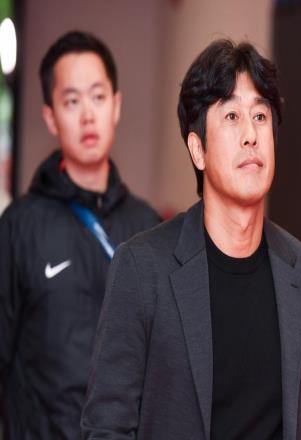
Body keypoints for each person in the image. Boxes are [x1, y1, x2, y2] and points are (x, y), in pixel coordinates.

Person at [81, 39, 301, 439]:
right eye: (231, 115)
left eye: (261, 116)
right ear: (198, 150)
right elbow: (107, 428)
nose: (250, 134)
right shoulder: (142, 270)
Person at [0, 31, 160, 439]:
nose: (88, 115)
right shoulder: (19, 227)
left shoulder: (148, 227)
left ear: (116, 106)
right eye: (72, 101)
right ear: (50, 117)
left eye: (98, 97)